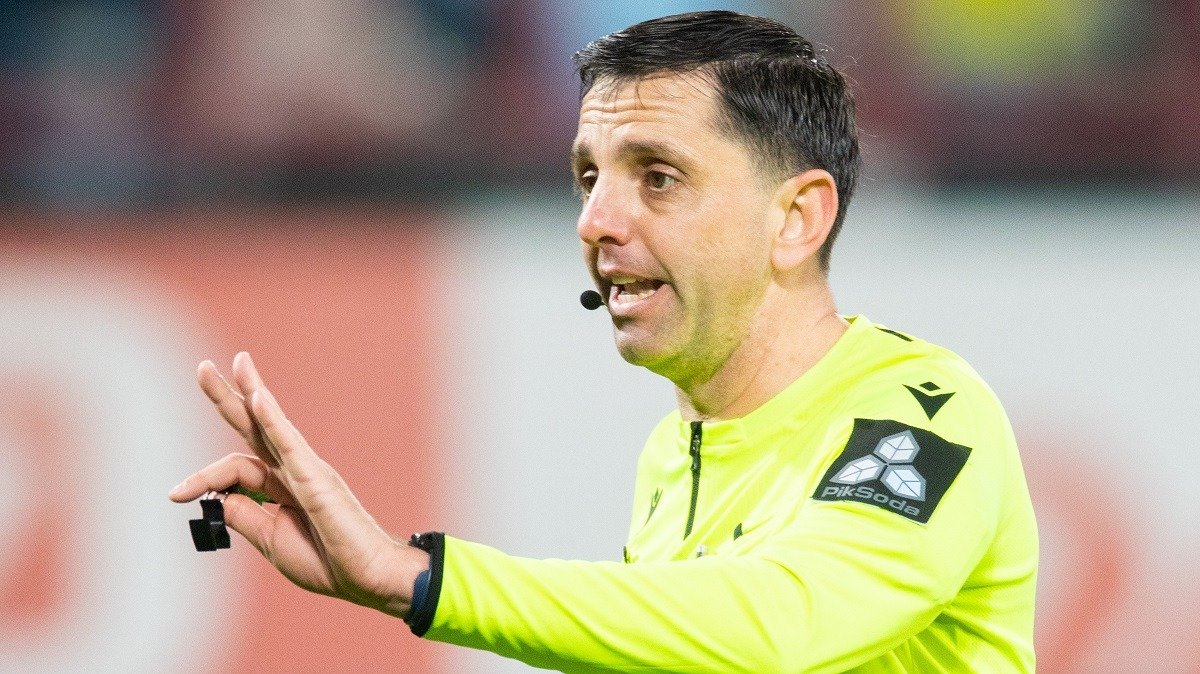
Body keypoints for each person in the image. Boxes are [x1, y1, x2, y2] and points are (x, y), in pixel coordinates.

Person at [170, 10, 1037, 672]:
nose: (595, 220)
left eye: (658, 178)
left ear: (796, 219)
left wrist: (419, 579)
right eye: (589, 177)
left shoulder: (922, 413)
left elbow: (783, 624)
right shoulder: (675, 453)